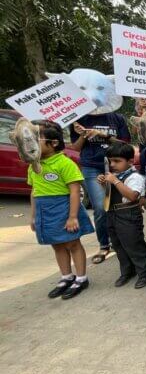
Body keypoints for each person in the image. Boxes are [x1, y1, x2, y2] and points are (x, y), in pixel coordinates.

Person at [28, 121, 94, 299]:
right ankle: (66, 277)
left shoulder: (65, 163)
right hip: (44, 210)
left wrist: (72, 217)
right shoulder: (34, 165)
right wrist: (33, 215)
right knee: (56, 244)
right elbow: (34, 191)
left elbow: (74, 191)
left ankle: (81, 278)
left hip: (64, 208)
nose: (32, 143)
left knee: (72, 243)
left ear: (54, 142)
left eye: (37, 139)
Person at [70, 111, 130, 263]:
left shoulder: (117, 117)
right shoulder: (79, 118)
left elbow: (125, 144)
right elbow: (76, 148)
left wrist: (103, 135)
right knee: (100, 207)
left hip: (116, 165)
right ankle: (104, 245)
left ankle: (120, 241)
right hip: (91, 167)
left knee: (120, 204)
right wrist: (83, 134)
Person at [98, 142, 146, 289]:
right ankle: (127, 271)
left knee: (133, 244)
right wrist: (104, 183)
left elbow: (132, 196)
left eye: (117, 161)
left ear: (130, 161)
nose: (113, 164)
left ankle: (145, 273)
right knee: (118, 245)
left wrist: (115, 181)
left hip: (128, 213)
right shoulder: (114, 175)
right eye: (110, 161)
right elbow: (110, 194)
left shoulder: (135, 177)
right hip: (112, 212)